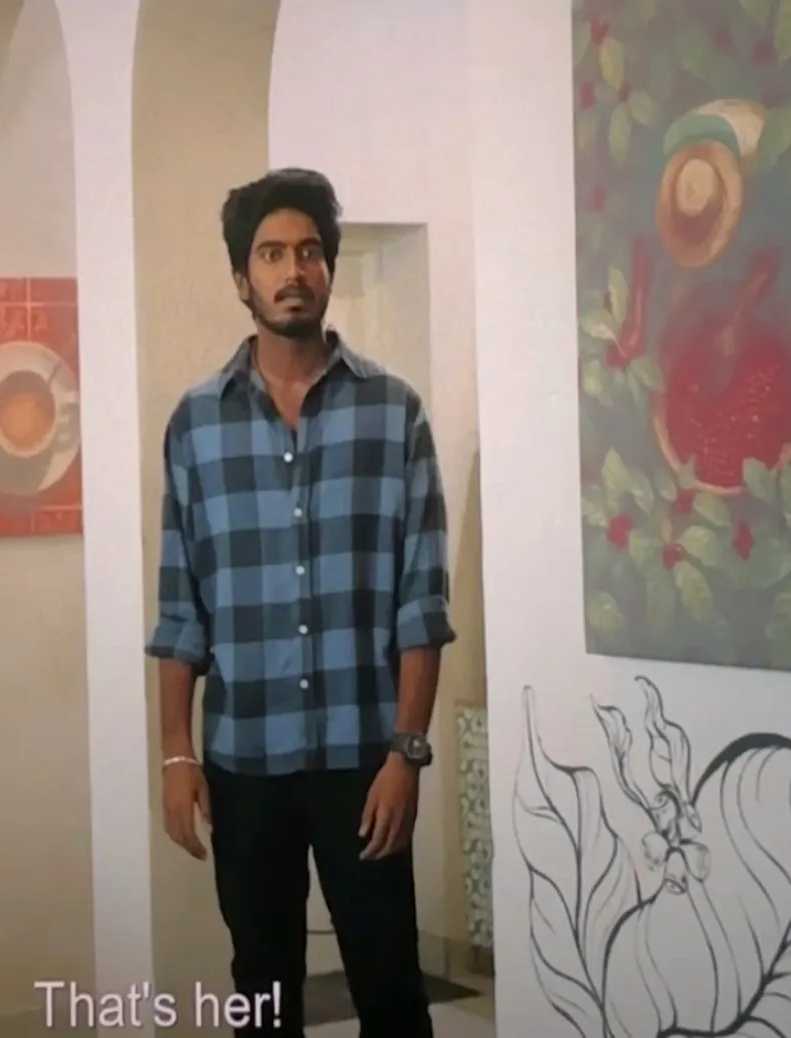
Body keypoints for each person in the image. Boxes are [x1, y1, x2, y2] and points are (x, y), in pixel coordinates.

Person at [146, 169, 453, 1038]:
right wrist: (175, 756)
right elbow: (180, 607)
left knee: (391, 993)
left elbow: (421, 603)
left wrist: (408, 754)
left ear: (329, 270)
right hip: (245, 763)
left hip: (365, 760)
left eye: (310, 252)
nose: (293, 271)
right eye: (272, 254)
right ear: (241, 278)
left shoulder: (394, 414)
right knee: (264, 993)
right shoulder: (197, 424)